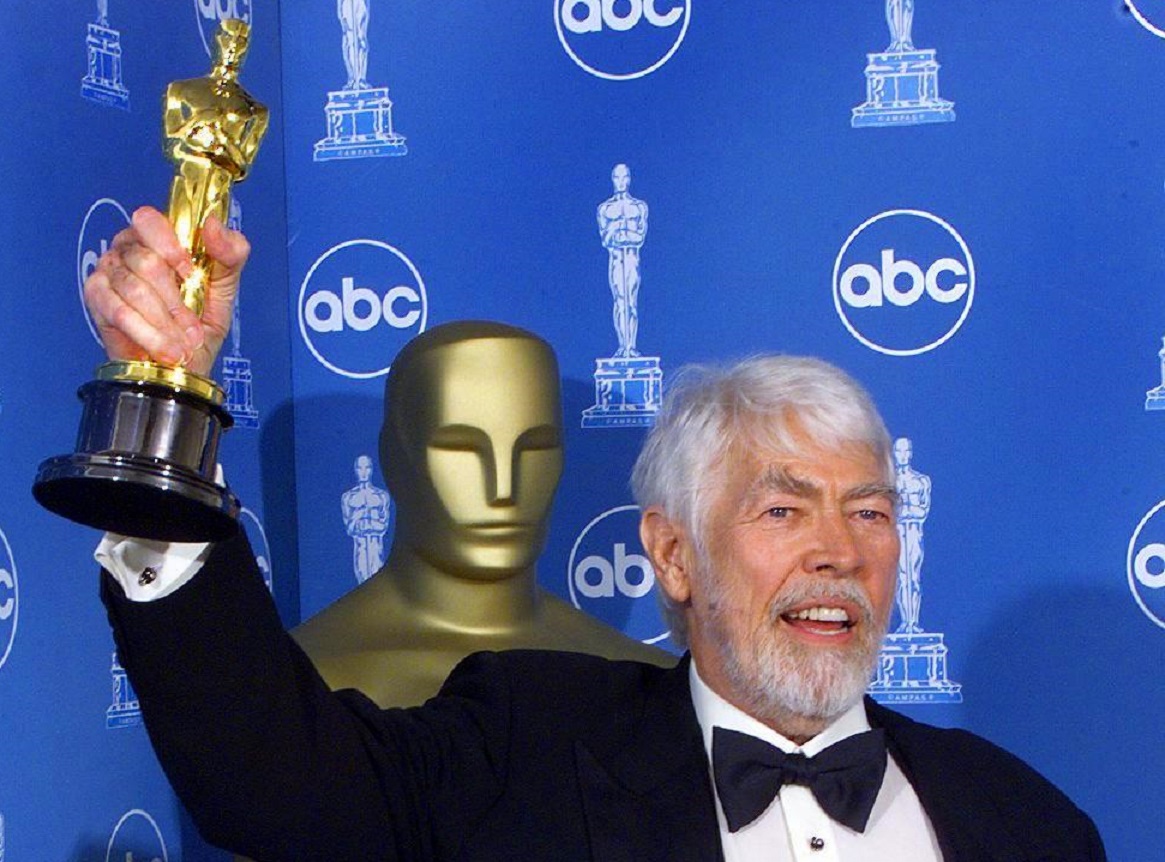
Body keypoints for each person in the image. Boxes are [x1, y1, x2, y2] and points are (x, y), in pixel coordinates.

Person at [85, 214, 1106, 860]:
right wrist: (158, 402)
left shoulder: (1025, 822)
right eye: (784, 509)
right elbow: (272, 781)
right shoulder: (527, 741)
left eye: (871, 510)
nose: (840, 549)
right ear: (671, 555)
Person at [295, 320, 673, 707]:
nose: (504, 489)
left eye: (535, 448)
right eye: (461, 448)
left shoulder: (647, 682)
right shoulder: (302, 682)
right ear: (393, 457)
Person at [597, 164, 648, 359]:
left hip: (631, 259)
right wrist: (620, 229)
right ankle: (622, 347)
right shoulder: (606, 208)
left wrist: (623, 232)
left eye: (624, 177)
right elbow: (606, 238)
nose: (620, 181)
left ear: (628, 179)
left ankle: (631, 347)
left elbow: (640, 235)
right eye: (616, 178)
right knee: (620, 301)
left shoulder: (639, 207)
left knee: (631, 303)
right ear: (613, 179)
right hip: (617, 259)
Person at [340, 454, 391, 585]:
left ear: (371, 469)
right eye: (359, 468)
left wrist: (367, 522)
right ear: (355, 470)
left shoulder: (381, 496)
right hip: (359, 548)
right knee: (362, 582)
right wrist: (361, 515)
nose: (363, 472)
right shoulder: (348, 497)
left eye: (367, 467)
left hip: (376, 548)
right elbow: (350, 529)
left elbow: (383, 526)